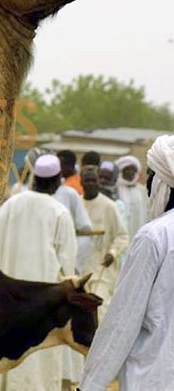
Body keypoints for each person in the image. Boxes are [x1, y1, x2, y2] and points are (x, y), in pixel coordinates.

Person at [80, 135, 174, 390]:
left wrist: (90, 384)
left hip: (154, 377)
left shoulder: (155, 236)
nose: (147, 185)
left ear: (163, 182)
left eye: (151, 176)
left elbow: (122, 321)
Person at [0, 154, 78, 391]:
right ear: (57, 182)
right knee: (38, 362)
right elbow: (67, 267)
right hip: (42, 307)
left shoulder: (9, 206)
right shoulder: (59, 213)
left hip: (7, 302)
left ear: (34, 178)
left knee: (6, 355)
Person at [81, 165, 129, 320]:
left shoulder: (109, 206)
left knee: (100, 313)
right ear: (81, 182)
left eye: (93, 180)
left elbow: (122, 236)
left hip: (102, 270)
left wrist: (113, 253)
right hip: (79, 272)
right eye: (87, 180)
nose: (91, 183)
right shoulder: (77, 205)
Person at [116, 155, 150, 239]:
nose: (130, 172)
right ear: (122, 171)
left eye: (133, 170)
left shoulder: (143, 191)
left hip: (140, 231)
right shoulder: (115, 189)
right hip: (121, 234)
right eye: (127, 169)